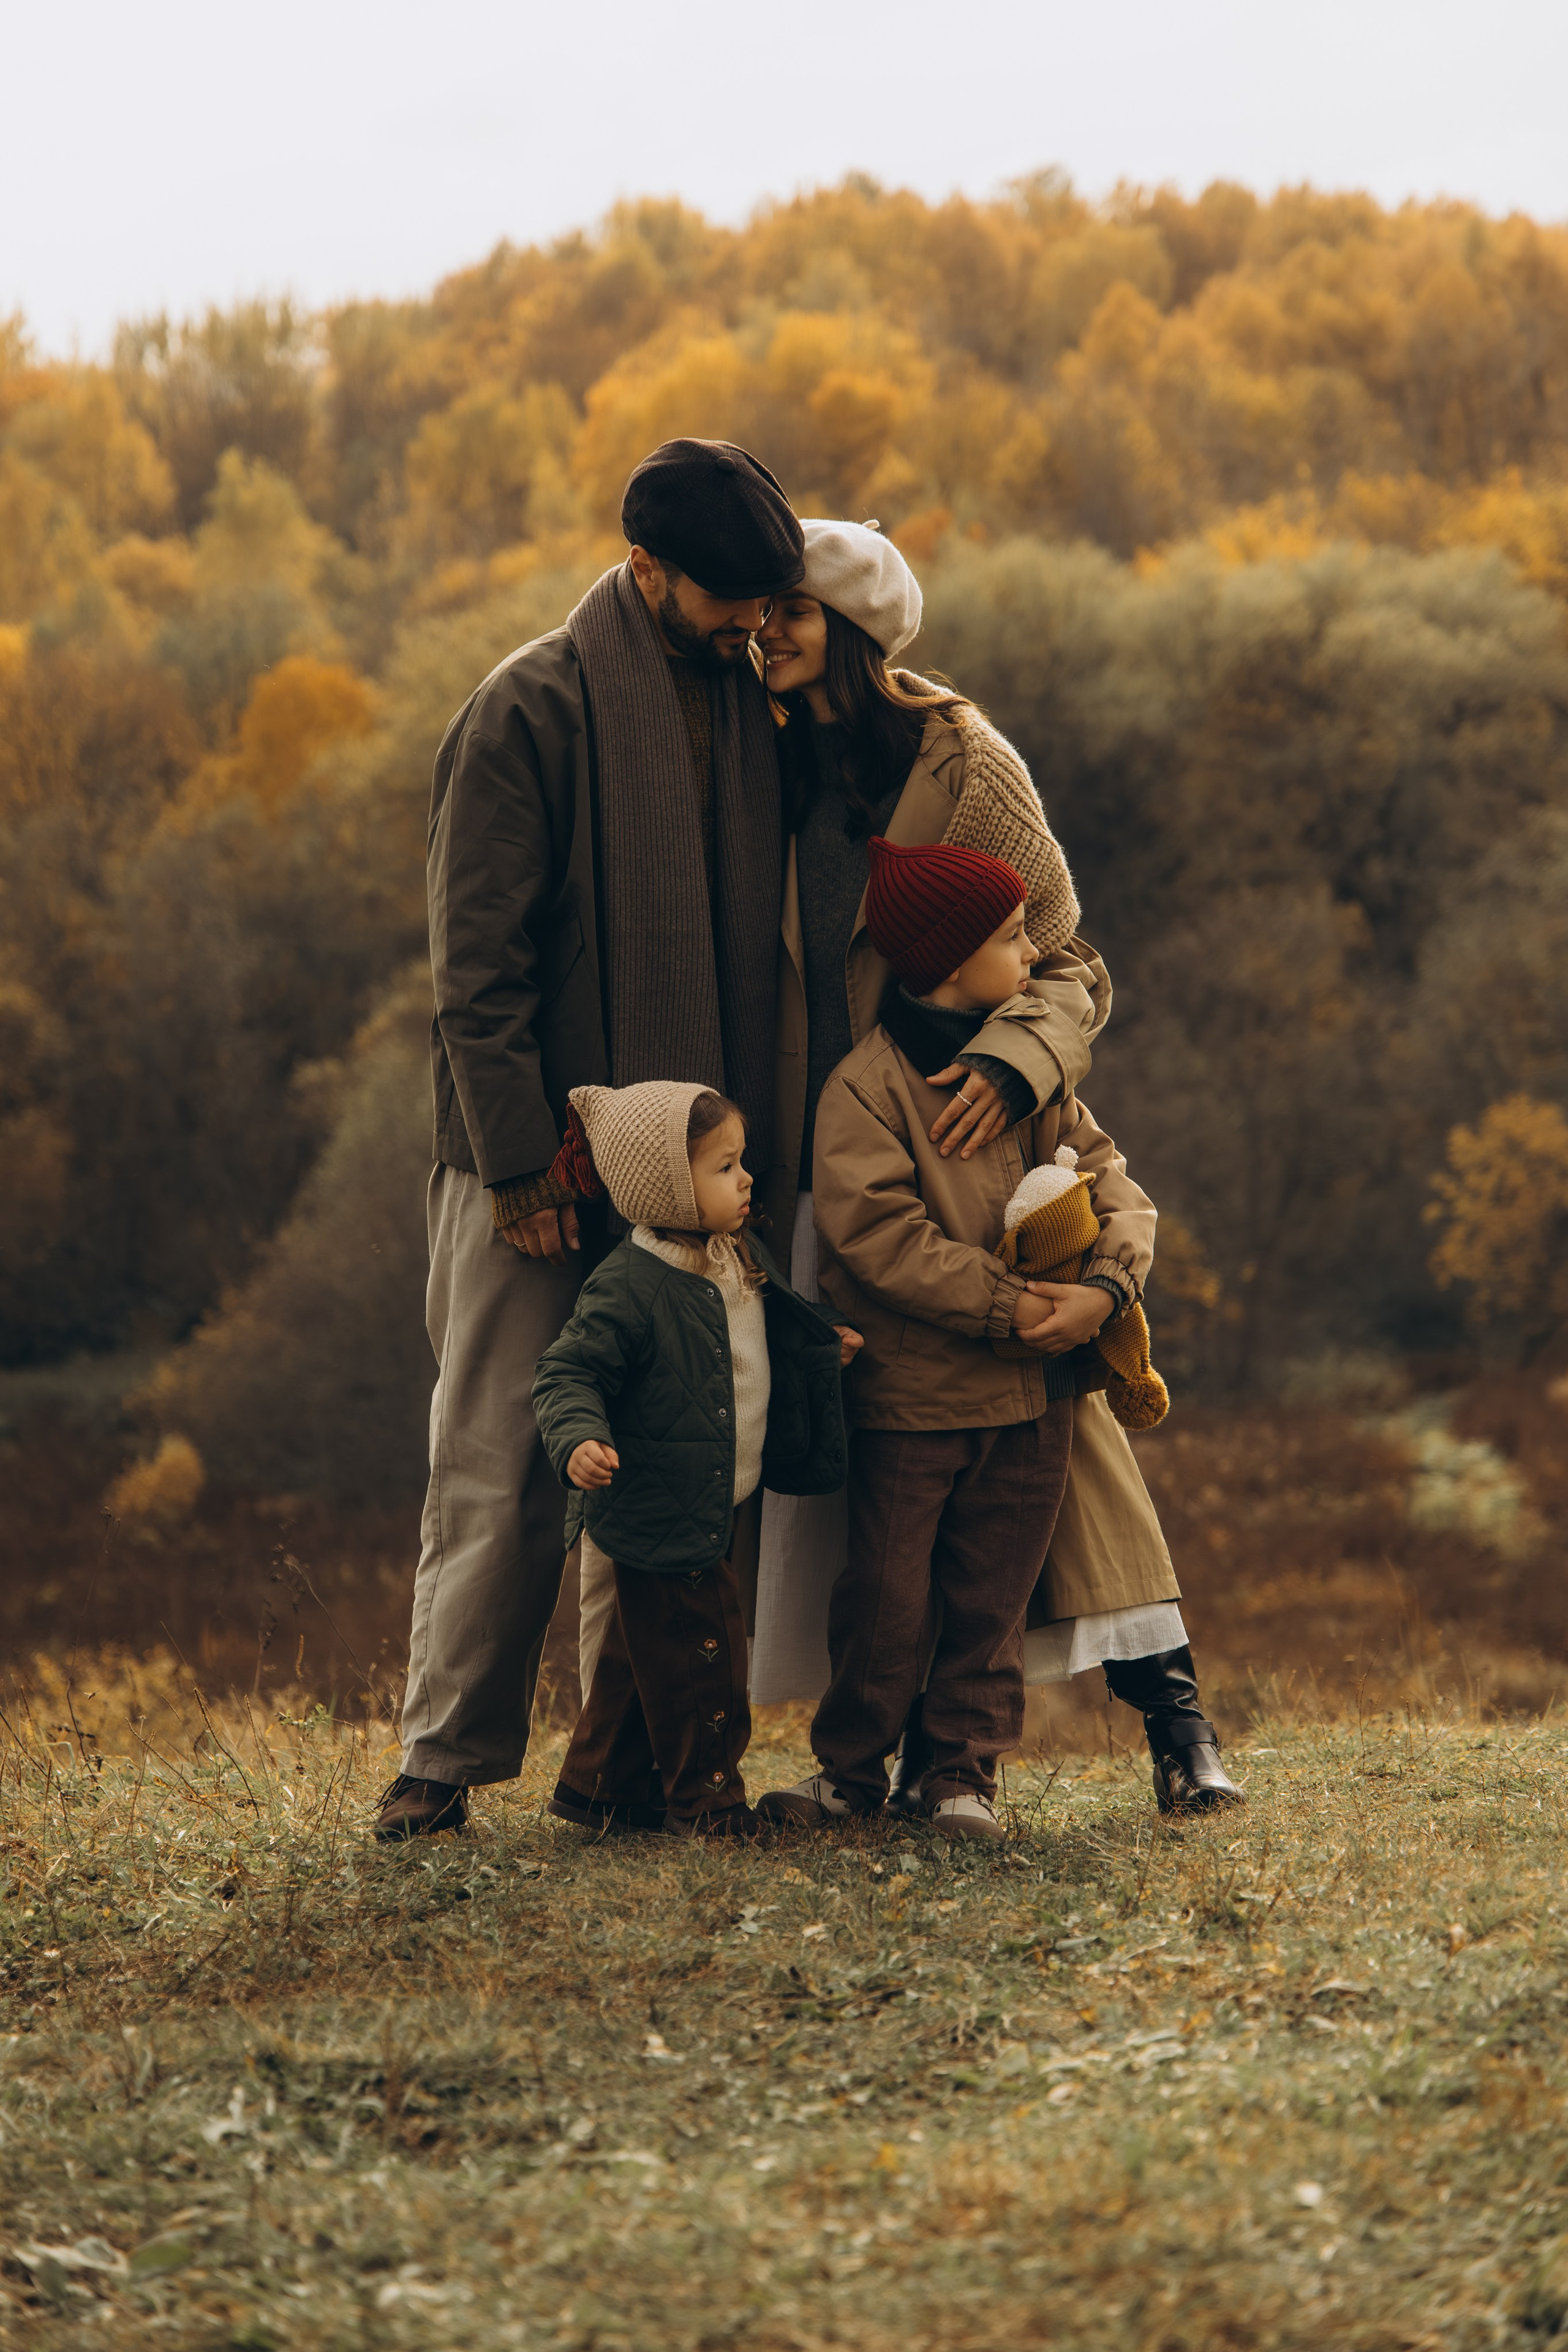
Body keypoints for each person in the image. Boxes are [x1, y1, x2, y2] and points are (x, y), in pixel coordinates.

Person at [750, 528, 1241, 1814]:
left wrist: (1011, 1070)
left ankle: (1174, 1724)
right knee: (891, 1502)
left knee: (1065, 1447)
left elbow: (1065, 958)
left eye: (793, 610)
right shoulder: (747, 745)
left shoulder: (966, 765)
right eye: (764, 608)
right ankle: (883, 1765)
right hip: (832, 1149)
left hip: (978, 1123)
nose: (769, 629)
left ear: (853, 627)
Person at [375, 439, 808, 1839]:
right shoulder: (525, 711)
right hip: (535, 1161)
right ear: (644, 571)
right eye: (727, 596)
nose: (751, 622)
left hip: (688, 1159)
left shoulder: (748, 704)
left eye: (764, 598)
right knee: (502, 1455)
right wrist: (512, 1167)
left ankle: (627, 1770)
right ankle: (437, 1766)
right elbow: (475, 970)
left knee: (677, 1457)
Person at [760, 840, 1214, 1838]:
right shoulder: (866, 1091)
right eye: (1013, 939)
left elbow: (1112, 1183)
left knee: (991, 1602)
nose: (1033, 954)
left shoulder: (1031, 1077)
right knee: (886, 1602)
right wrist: (1010, 1303)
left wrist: (1105, 1286)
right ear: (950, 963)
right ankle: (849, 1775)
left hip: (1032, 1403)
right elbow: (880, 1237)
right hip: (915, 1405)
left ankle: (960, 1777)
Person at [532, 1082, 853, 1839]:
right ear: (669, 1188)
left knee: (638, 1658)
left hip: (713, 1494)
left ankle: (599, 1792)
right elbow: (566, 1373)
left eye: (742, 1163)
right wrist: (579, 1439)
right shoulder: (631, 1285)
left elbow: (770, 1326)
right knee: (703, 1656)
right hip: (656, 1501)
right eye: (724, 1167)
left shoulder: (735, 1254)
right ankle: (707, 1805)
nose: (746, 1180)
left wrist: (823, 1338)